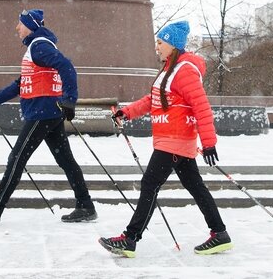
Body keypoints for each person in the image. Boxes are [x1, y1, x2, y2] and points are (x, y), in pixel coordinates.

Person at [99, 20, 233, 257]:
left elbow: (201, 106)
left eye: (160, 43)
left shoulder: (184, 71)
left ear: (172, 44)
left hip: (174, 140)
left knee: (149, 184)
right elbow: (153, 100)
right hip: (174, 141)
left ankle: (130, 239)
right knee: (196, 188)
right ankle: (220, 233)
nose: (157, 47)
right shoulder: (169, 70)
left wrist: (209, 143)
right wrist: (126, 112)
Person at [0, 8, 96, 224]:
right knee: (65, 160)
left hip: (42, 113)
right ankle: (85, 205)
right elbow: (20, 84)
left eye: (20, 23)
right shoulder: (38, 48)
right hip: (48, 112)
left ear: (30, 25)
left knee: (16, 158)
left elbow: (67, 67)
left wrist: (70, 99)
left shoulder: (39, 47)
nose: (17, 27)